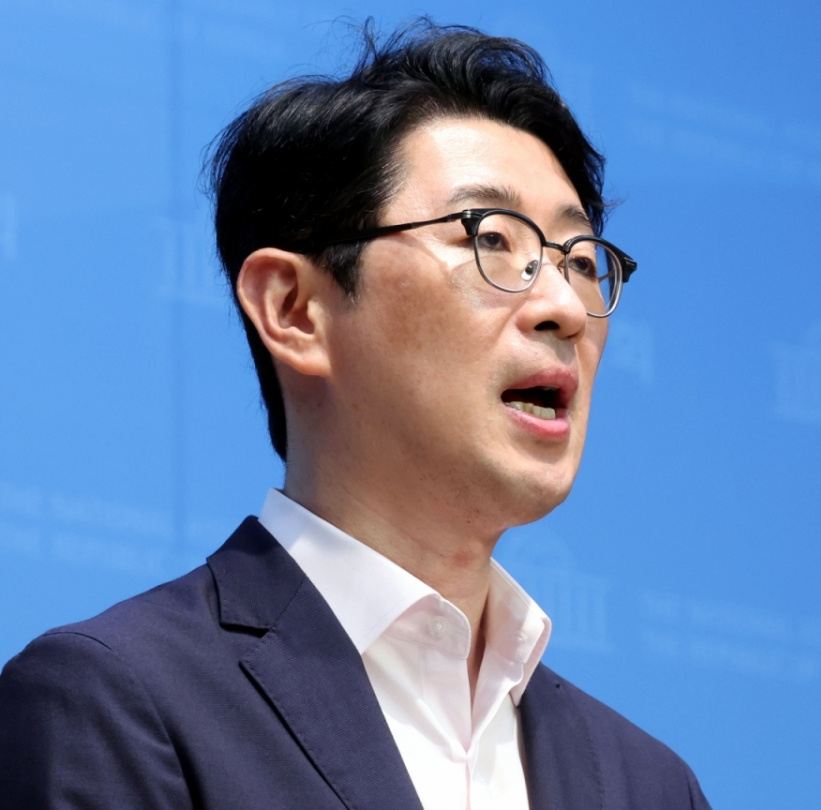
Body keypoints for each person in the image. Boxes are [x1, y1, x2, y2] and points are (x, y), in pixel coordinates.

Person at [0, 20, 711, 810]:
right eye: (492, 240)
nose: (565, 308)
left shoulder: (651, 785)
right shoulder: (118, 702)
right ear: (294, 309)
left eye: (578, 261)